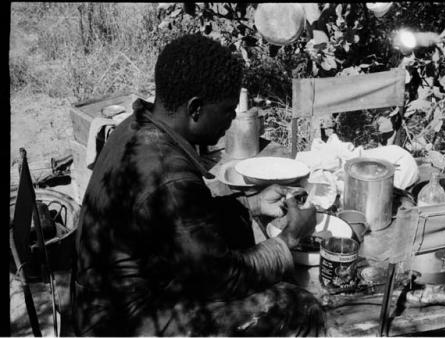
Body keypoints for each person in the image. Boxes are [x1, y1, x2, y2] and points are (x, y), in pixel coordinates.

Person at [72, 34, 325, 337]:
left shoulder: (137, 125)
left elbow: (181, 221)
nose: (231, 119)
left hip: (103, 300)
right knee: (298, 304)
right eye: (228, 110)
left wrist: (252, 204)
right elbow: (222, 280)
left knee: (241, 238)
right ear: (195, 109)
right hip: (123, 324)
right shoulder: (168, 173)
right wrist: (290, 238)